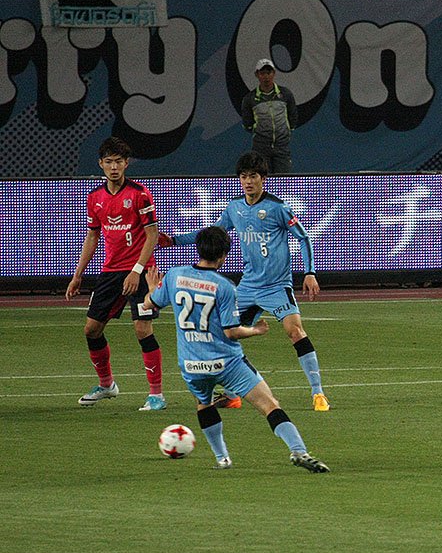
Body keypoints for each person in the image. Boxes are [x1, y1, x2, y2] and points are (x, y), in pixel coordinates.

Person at [143, 226, 329, 472]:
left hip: (191, 365)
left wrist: (151, 289)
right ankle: (298, 450)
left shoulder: (175, 276)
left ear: (198, 249)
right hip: (227, 363)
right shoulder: (224, 287)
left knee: (204, 404)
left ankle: (222, 458)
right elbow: (231, 332)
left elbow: (149, 304)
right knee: (269, 405)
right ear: (223, 256)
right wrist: (256, 330)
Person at [158, 152, 329, 411]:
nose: (248, 181)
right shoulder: (234, 208)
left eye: (253, 176)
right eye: (244, 176)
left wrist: (310, 272)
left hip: (277, 287)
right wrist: (174, 240)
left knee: (295, 331)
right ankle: (231, 394)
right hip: (248, 287)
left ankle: (318, 393)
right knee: (224, 333)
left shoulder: (278, 208)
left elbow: (303, 238)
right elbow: (212, 234)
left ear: (263, 179)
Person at [65, 136, 166, 411]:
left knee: (142, 329)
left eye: (118, 161)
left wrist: (136, 270)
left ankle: (156, 395)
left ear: (126, 163)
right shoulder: (95, 198)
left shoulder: (140, 194)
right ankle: (107, 385)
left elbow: (152, 234)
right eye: (108, 162)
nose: (113, 167)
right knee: (91, 329)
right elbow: (92, 236)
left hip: (141, 271)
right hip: (111, 271)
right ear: (101, 164)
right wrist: (78, 275)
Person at [240, 58, 297, 175]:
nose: (266, 77)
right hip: (261, 149)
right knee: (262, 179)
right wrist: (260, 133)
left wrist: (286, 132)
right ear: (257, 75)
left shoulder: (285, 94)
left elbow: (293, 116)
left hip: (282, 147)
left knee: (283, 181)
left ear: (274, 73)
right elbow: (247, 124)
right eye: (262, 73)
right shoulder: (249, 99)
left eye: (269, 73)